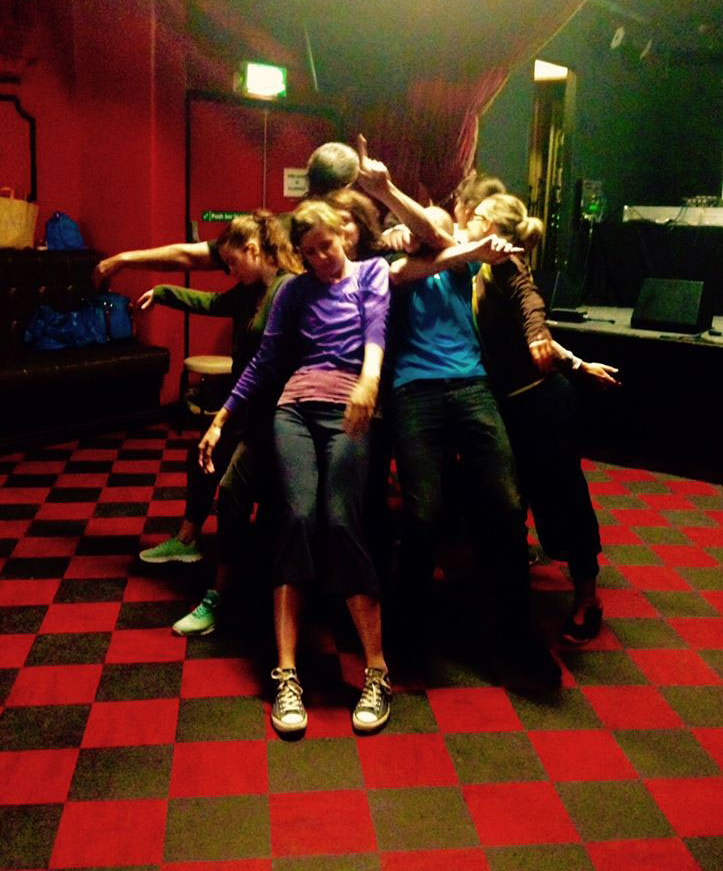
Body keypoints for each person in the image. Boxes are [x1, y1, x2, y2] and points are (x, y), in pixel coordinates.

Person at [354, 138, 561, 688]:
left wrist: (390, 193)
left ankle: (515, 640)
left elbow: (444, 239)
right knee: (423, 517)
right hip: (413, 391)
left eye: (436, 223)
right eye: (415, 224)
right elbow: (405, 270)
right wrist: (390, 204)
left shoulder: (464, 264)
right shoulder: (389, 262)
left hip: (471, 387)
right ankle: (406, 637)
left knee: (507, 506)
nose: (428, 228)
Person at [198, 199, 393, 735]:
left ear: (343, 236)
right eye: (309, 253)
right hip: (295, 411)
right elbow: (264, 362)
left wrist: (368, 382)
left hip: (351, 407)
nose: (321, 259)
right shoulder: (293, 291)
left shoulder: (371, 274)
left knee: (341, 521)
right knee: (297, 520)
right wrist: (222, 418)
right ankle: (286, 673)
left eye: (326, 246)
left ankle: (377, 670)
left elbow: (376, 333)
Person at [134, 211, 300, 636]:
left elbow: (275, 360)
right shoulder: (250, 291)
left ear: (254, 249)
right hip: (245, 405)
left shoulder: (288, 289)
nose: (229, 270)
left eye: (232, 261)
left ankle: (234, 590)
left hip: (278, 413)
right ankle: (194, 547)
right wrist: (163, 292)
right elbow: (211, 303)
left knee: (248, 498)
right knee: (207, 465)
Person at [467, 192, 619, 643]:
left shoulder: (506, 265)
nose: (467, 219)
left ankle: (588, 597)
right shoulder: (474, 266)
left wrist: (542, 336)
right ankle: (511, 594)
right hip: (508, 406)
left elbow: (530, 304)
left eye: (476, 215)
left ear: (492, 228)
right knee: (510, 500)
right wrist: (577, 362)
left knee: (564, 499)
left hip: (542, 404)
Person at [92, 141, 359, 286]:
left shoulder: (281, 228)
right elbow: (193, 256)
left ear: (308, 178)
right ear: (349, 186)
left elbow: (190, 256)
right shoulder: (364, 234)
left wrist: (125, 259)